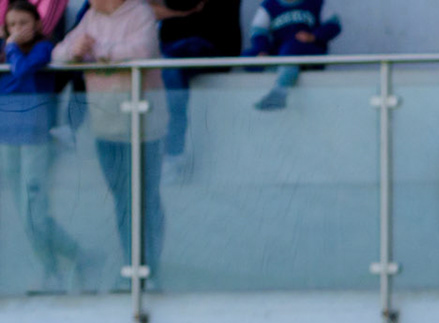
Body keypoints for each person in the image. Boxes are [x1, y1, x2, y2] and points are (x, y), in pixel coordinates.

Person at [53, 0, 168, 276]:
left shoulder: (140, 13)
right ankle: (132, 265)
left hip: (144, 128)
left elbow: (142, 50)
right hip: (106, 127)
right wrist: (74, 50)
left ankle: (148, 267)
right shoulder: (90, 18)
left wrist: (98, 51)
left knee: (145, 199)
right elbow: (59, 53)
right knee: (123, 200)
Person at [1, 2, 81, 291]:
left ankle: (68, 259)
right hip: (8, 137)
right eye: (12, 24)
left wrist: (11, 47)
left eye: (23, 23)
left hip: (35, 137)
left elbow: (22, 70)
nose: (18, 29)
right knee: (24, 213)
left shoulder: (43, 48)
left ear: (37, 24)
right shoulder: (6, 50)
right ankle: (60, 264)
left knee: (34, 210)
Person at [153, 0, 242, 177]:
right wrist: (177, 14)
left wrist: (174, 13)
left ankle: (174, 154)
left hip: (209, 46)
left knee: (169, 69)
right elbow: (144, 9)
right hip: (169, 51)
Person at [244, 0, 339, 112]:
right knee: (248, 56)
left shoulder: (317, 2)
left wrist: (313, 36)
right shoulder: (269, 5)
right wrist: (262, 49)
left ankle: (279, 92)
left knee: (292, 47)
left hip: (308, 50)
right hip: (280, 52)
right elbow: (258, 30)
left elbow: (334, 24)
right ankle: (284, 71)